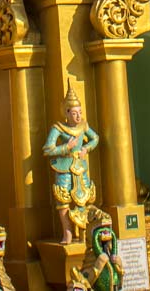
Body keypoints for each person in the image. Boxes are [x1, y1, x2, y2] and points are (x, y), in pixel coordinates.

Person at [43, 79, 99, 244]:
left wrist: (86, 148)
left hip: (80, 166)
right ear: (66, 113)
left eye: (80, 112)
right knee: (63, 200)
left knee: (85, 198)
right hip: (64, 167)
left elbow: (95, 138)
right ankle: (67, 232)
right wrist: (66, 147)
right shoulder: (58, 128)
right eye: (74, 113)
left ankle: (84, 231)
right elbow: (48, 149)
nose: (78, 116)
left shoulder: (83, 126)